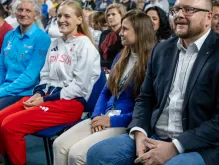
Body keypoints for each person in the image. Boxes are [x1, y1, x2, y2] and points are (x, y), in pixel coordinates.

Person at [87, 0, 219, 165]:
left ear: (208, 17)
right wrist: (139, 131)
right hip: (153, 135)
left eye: (189, 10)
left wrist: (175, 147)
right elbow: (145, 98)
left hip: (199, 145)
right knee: (97, 154)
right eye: (176, 10)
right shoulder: (162, 50)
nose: (179, 15)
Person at [0, 0, 101, 165]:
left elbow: (79, 87)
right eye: (60, 15)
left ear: (79, 20)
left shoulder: (86, 47)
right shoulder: (55, 43)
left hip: (70, 103)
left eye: (67, 16)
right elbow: (44, 74)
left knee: (10, 126)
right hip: (47, 97)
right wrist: (39, 93)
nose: (62, 19)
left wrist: (45, 99)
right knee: (1, 119)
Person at [53, 10, 156, 165]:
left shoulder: (152, 63)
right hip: (104, 115)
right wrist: (96, 116)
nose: (120, 33)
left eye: (125, 29)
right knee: (59, 145)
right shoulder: (121, 56)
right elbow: (105, 91)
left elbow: (145, 108)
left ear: (140, 32)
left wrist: (111, 121)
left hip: (125, 123)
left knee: (78, 154)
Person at [0, 0, 51, 111]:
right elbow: (1, 67)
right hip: (5, 88)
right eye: (20, 10)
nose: (23, 14)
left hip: (24, 92)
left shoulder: (42, 38)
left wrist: (2, 91)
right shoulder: (9, 36)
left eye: (28, 10)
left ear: (36, 15)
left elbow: (30, 77)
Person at [99, 4, 126, 69]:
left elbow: (122, 59)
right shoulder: (104, 34)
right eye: (108, 15)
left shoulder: (125, 34)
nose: (110, 17)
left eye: (113, 14)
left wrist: (99, 63)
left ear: (122, 16)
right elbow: (99, 55)